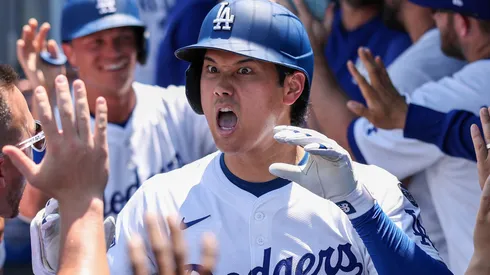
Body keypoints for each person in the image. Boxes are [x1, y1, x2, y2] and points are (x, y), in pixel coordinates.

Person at [107, 0, 449, 273]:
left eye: (244, 70)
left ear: (291, 87)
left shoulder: (368, 192)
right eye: (211, 69)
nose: (222, 87)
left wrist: (361, 208)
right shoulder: (159, 203)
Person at [25, 0, 216, 273]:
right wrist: (41, 97)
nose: (112, 52)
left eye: (123, 39)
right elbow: (28, 209)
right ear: (69, 52)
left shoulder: (176, 109)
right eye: (96, 42)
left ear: (141, 45)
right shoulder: (58, 128)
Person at [338, 0, 490, 271]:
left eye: (441, 12)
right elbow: (467, 135)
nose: (435, 20)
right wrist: (409, 118)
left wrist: (408, 118)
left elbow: (347, 151)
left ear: (464, 24)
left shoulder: (472, 85)